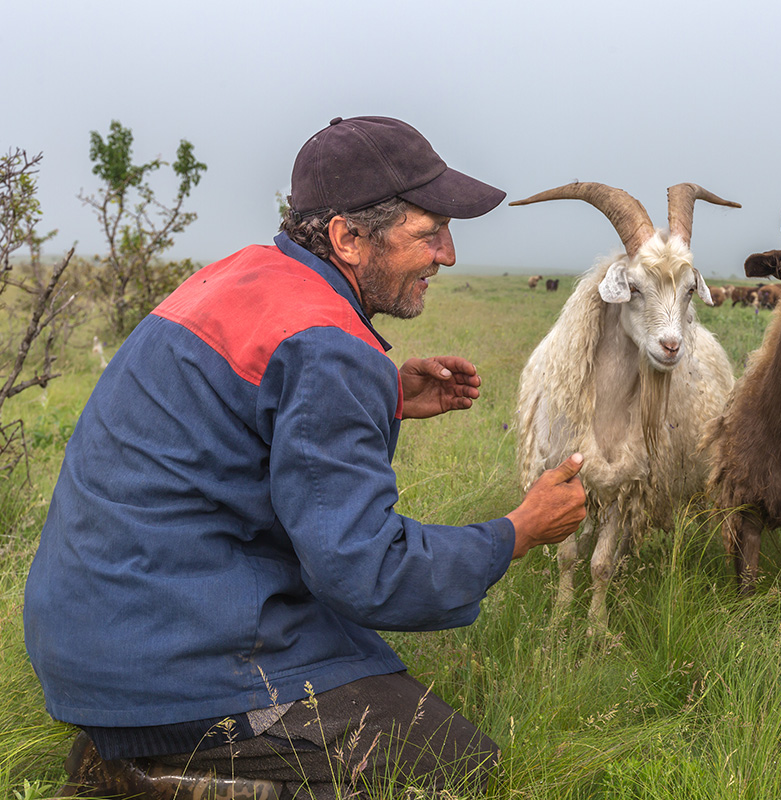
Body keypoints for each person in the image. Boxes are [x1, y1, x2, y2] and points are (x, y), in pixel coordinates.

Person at [23, 116, 587, 798]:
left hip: (107, 625)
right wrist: (517, 532)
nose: (449, 253)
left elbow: (240, 417)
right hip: (174, 653)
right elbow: (365, 571)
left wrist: (384, 394)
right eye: (429, 231)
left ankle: (139, 752)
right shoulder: (325, 346)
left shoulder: (245, 277)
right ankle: (147, 778)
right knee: (459, 768)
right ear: (348, 237)